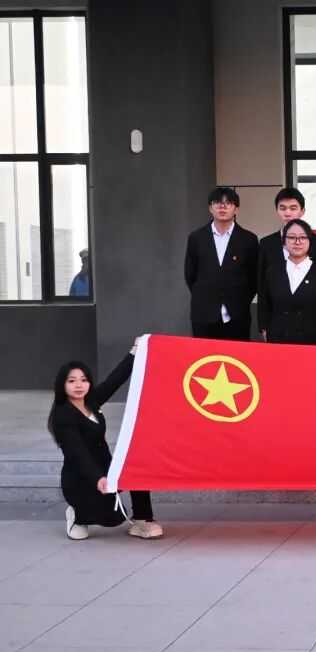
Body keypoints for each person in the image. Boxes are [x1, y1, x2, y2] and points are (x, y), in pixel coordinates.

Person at [47, 340, 162, 541]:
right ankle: (77, 515)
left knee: (137, 465)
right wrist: (98, 478)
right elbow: (79, 453)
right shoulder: (63, 416)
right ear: (62, 384)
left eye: (83, 380)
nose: (79, 385)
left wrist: (134, 351)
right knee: (112, 518)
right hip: (81, 478)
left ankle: (142, 519)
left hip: (107, 467)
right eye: (72, 381)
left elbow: (113, 381)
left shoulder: (91, 401)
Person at [184, 187, 259, 340]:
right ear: (210, 208)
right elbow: (190, 275)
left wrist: (241, 301)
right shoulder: (196, 238)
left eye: (228, 203)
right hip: (204, 315)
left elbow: (254, 278)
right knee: (204, 355)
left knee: (236, 355)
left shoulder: (248, 239)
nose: (222, 207)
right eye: (217, 202)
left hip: (237, 316)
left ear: (236, 209)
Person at [257, 189, 316, 327]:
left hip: (311, 320)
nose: (287, 213)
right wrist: (263, 325)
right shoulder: (267, 244)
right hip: (278, 319)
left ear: (302, 211)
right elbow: (262, 287)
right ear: (277, 210)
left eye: (293, 208)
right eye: (282, 208)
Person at [258, 219, 316, 345]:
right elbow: (265, 304)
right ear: (284, 243)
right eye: (291, 237)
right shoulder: (273, 272)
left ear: (310, 242)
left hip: (312, 342)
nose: (297, 242)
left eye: (303, 237)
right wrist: (264, 329)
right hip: (278, 340)